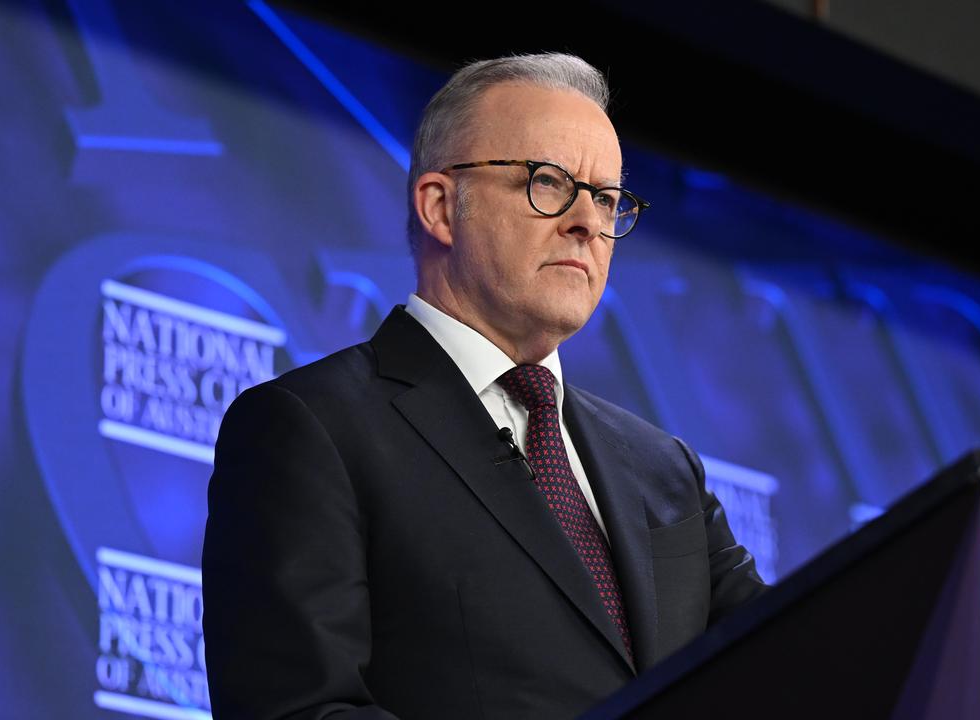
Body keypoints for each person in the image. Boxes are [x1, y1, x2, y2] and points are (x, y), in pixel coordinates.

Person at [202, 52, 768, 720]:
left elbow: (793, 664)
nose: (588, 222)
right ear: (442, 208)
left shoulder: (663, 469)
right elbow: (298, 711)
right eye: (550, 183)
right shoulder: (310, 428)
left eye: (608, 199)